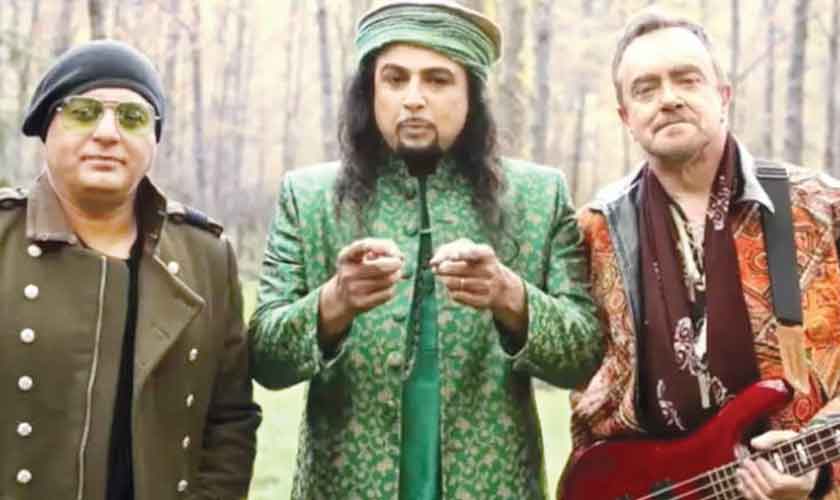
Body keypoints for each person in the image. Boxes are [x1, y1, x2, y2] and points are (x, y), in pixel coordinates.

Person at [248, 1, 602, 498]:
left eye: (437, 80)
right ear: (370, 91)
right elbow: (264, 360)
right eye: (395, 79)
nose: (413, 99)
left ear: (471, 94)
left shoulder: (538, 197)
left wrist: (511, 297)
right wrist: (334, 303)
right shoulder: (309, 199)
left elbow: (584, 357)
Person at [563, 9, 840, 500]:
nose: (668, 98)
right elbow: (587, 393)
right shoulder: (594, 230)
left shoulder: (822, 207)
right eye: (645, 89)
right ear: (626, 118)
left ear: (723, 96)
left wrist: (819, 473)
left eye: (687, 79)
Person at [0, 40, 261, 500]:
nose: (107, 133)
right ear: (46, 128)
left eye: (133, 117)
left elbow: (229, 420)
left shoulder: (206, 256)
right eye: (83, 113)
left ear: (153, 139)